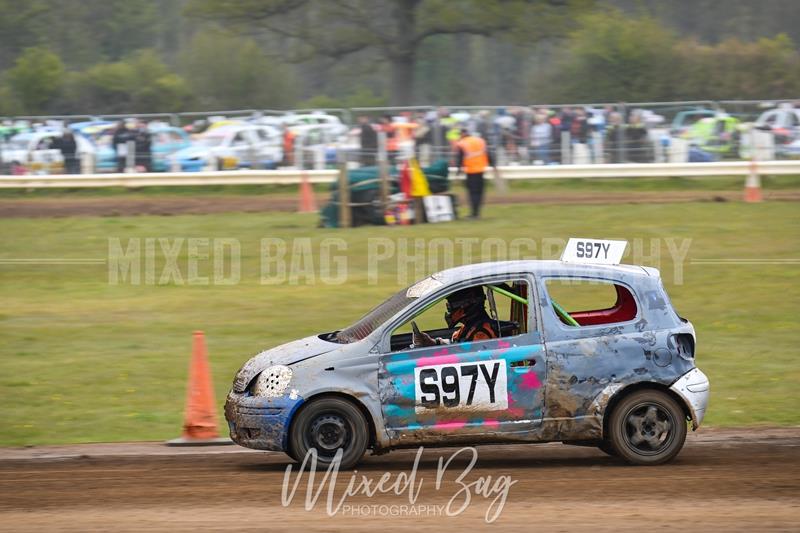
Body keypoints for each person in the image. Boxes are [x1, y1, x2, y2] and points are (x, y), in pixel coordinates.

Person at [412, 286, 499, 346]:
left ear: (465, 306)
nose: (450, 311)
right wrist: (432, 342)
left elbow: (466, 362)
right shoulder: (470, 326)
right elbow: (455, 345)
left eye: (451, 306)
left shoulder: (482, 333)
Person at [455, 128, 494, 219]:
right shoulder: (480, 141)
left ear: (462, 134)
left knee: (472, 193)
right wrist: (492, 164)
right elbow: (488, 154)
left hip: (471, 171)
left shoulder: (462, 143)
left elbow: (460, 159)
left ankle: (474, 214)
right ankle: (477, 213)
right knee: (479, 192)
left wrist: (458, 171)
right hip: (481, 170)